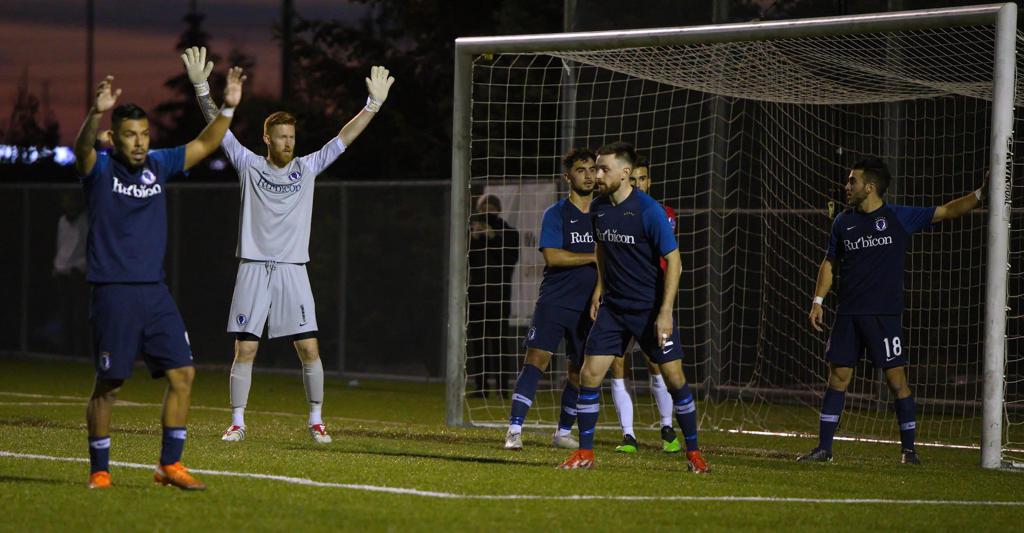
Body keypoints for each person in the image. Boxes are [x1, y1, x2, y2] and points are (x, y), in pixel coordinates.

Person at [181, 47, 395, 444]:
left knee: (309, 349)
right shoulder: (248, 164)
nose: (288, 143)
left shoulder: (306, 168)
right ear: (267, 138)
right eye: (281, 137)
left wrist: (373, 106)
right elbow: (217, 128)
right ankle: (237, 422)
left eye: (292, 138)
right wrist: (201, 88)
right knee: (245, 350)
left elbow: (343, 138)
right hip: (252, 266)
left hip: (293, 269)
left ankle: (316, 420)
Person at [74, 68, 244, 490]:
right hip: (113, 293)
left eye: (144, 134)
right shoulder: (101, 171)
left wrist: (228, 107)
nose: (139, 142)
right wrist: (95, 114)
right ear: (113, 137)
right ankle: (100, 470)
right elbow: (82, 149)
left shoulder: (159, 164)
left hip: (154, 292)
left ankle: (170, 465)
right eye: (130, 135)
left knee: (183, 374)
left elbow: (206, 143)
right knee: (110, 384)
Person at [801, 157, 983, 464]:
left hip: (884, 315)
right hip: (848, 314)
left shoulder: (898, 217)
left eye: (852, 181)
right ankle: (824, 449)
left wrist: (981, 194)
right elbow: (830, 263)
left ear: (870, 187)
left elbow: (947, 211)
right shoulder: (843, 222)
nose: (847, 186)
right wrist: (818, 301)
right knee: (838, 378)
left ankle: (909, 451)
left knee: (897, 381)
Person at [558, 141, 708, 473]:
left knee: (674, 378)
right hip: (614, 309)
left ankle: (694, 453)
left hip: (648, 309)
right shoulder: (598, 208)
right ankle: (585, 452)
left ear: (625, 173)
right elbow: (601, 249)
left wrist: (665, 311)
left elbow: (675, 261)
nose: (597, 175)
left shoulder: (649, 211)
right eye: (596, 168)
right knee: (589, 375)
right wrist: (600, 290)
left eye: (604, 169)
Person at [503, 148, 597, 450]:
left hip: (590, 306)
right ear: (567, 176)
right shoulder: (556, 213)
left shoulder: (604, 214)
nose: (588, 175)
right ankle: (514, 430)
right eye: (581, 170)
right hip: (555, 301)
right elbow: (554, 257)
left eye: (592, 169)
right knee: (536, 360)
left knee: (579, 371)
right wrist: (594, 256)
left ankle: (562, 433)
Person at [608, 155, 680, 454]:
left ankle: (667, 427)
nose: (638, 184)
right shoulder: (611, 211)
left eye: (642, 178)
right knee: (617, 362)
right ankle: (628, 435)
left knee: (656, 363)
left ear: (649, 182)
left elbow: (667, 257)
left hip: (651, 299)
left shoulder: (662, 214)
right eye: (633, 179)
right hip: (619, 298)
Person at [467, 194, 520, 396]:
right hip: (476, 296)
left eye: (491, 208)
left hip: (499, 296)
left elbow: (510, 260)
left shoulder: (509, 233)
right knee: (478, 343)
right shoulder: (472, 232)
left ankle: (502, 387)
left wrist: (493, 237)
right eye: (483, 208)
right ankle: (481, 387)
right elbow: (465, 261)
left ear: (498, 210)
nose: (486, 212)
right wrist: (473, 239)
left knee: (499, 342)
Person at [52, 190, 90, 358]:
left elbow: (90, 248)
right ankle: (67, 349)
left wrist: (80, 266)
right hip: (63, 271)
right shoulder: (62, 221)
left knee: (79, 313)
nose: (67, 205)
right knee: (65, 312)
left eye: (70, 201)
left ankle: (81, 350)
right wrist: (57, 265)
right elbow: (61, 244)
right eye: (65, 201)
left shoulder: (86, 221)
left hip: (79, 272)